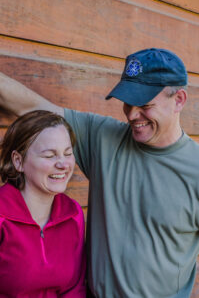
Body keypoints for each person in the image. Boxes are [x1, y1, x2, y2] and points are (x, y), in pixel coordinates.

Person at [0, 47, 198, 298]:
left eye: (144, 105)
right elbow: (31, 108)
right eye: (128, 102)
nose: (132, 115)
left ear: (179, 100)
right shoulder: (103, 137)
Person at [0, 110, 86, 297]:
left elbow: (75, 288)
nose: (63, 164)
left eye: (67, 153)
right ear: (18, 161)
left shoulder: (74, 214)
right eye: (49, 156)